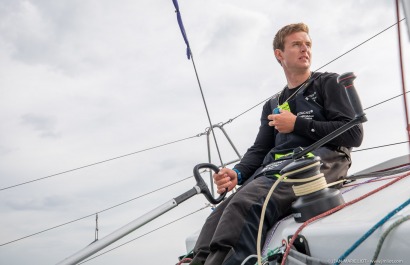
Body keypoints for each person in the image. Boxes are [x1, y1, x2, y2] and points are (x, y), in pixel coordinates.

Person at [189, 22, 363, 265]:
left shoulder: (329, 83)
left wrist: (298, 125)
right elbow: (260, 149)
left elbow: (354, 134)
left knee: (244, 205)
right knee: (218, 215)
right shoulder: (273, 104)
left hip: (317, 165)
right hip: (275, 171)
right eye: (297, 44)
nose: (305, 49)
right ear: (279, 55)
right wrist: (237, 173)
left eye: (308, 44)